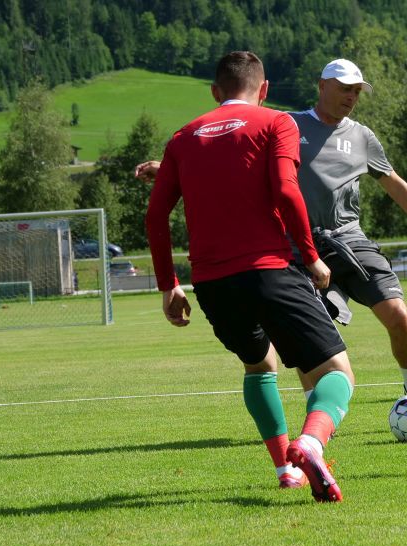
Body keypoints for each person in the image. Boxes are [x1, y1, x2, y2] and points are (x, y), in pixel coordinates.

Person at [137, 58, 407, 415]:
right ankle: (316, 412)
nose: (351, 97)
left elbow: (394, 184)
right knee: (304, 337)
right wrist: (168, 169)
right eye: (345, 89)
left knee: (398, 314)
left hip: (349, 240)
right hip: (297, 247)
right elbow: (229, 153)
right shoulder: (286, 123)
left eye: (357, 92)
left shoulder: (363, 137)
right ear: (322, 86)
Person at [142, 52, 353, 502]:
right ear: (264, 89)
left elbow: (156, 216)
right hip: (269, 271)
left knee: (259, 365)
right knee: (337, 374)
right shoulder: (276, 122)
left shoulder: (184, 137)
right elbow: (286, 190)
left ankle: (286, 471)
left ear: (215, 92)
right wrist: (312, 257)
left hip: (213, 285)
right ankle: (311, 444)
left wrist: (169, 286)